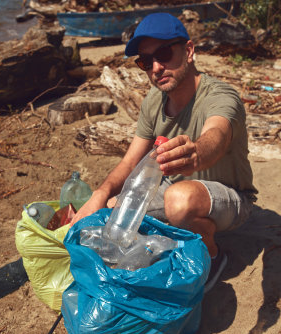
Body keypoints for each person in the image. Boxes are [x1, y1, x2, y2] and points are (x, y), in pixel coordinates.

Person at [71, 12, 257, 283]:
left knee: (180, 201)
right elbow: (130, 161)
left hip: (230, 198)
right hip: (175, 189)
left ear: (189, 51)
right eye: (146, 61)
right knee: (113, 210)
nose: (156, 67)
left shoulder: (220, 95)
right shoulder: (153, 101)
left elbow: (216, 136)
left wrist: (196, 154)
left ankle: (213, 256)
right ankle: (178, 238)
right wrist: (99, 195)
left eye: (164, 54)